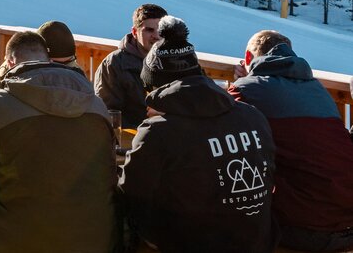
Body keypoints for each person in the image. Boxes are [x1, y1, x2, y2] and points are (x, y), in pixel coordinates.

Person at [0, 31, 116, 253]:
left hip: (15, 240)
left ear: (9, 63)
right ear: (47, 60)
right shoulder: (97, 107)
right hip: (93, 239)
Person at [119, 16, 276, 253]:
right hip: (258, 241)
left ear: (158, 85)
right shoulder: (252, 116)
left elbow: (131, 194)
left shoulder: (158, 132)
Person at [228, 31, 353, 252]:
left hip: (305, 229)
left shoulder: (244, 91)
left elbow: (222, 135)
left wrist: (240, 84)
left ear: (248, 58)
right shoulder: (319, 91)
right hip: (347, 220)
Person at [93, 3, 167, 128]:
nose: (156, 36)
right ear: (134, 32)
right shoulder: (114, 63)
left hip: (173, 134)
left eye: (161, 30)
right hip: (134, 136)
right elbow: (109, 114)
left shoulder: (178, 60)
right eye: (149, 30)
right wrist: (147, 121)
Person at [0, 20, 85, 85]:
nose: (63, 69)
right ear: (40, 56)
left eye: (69, 62)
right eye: (55, 64)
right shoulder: (11, 74)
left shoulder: (77, 73)